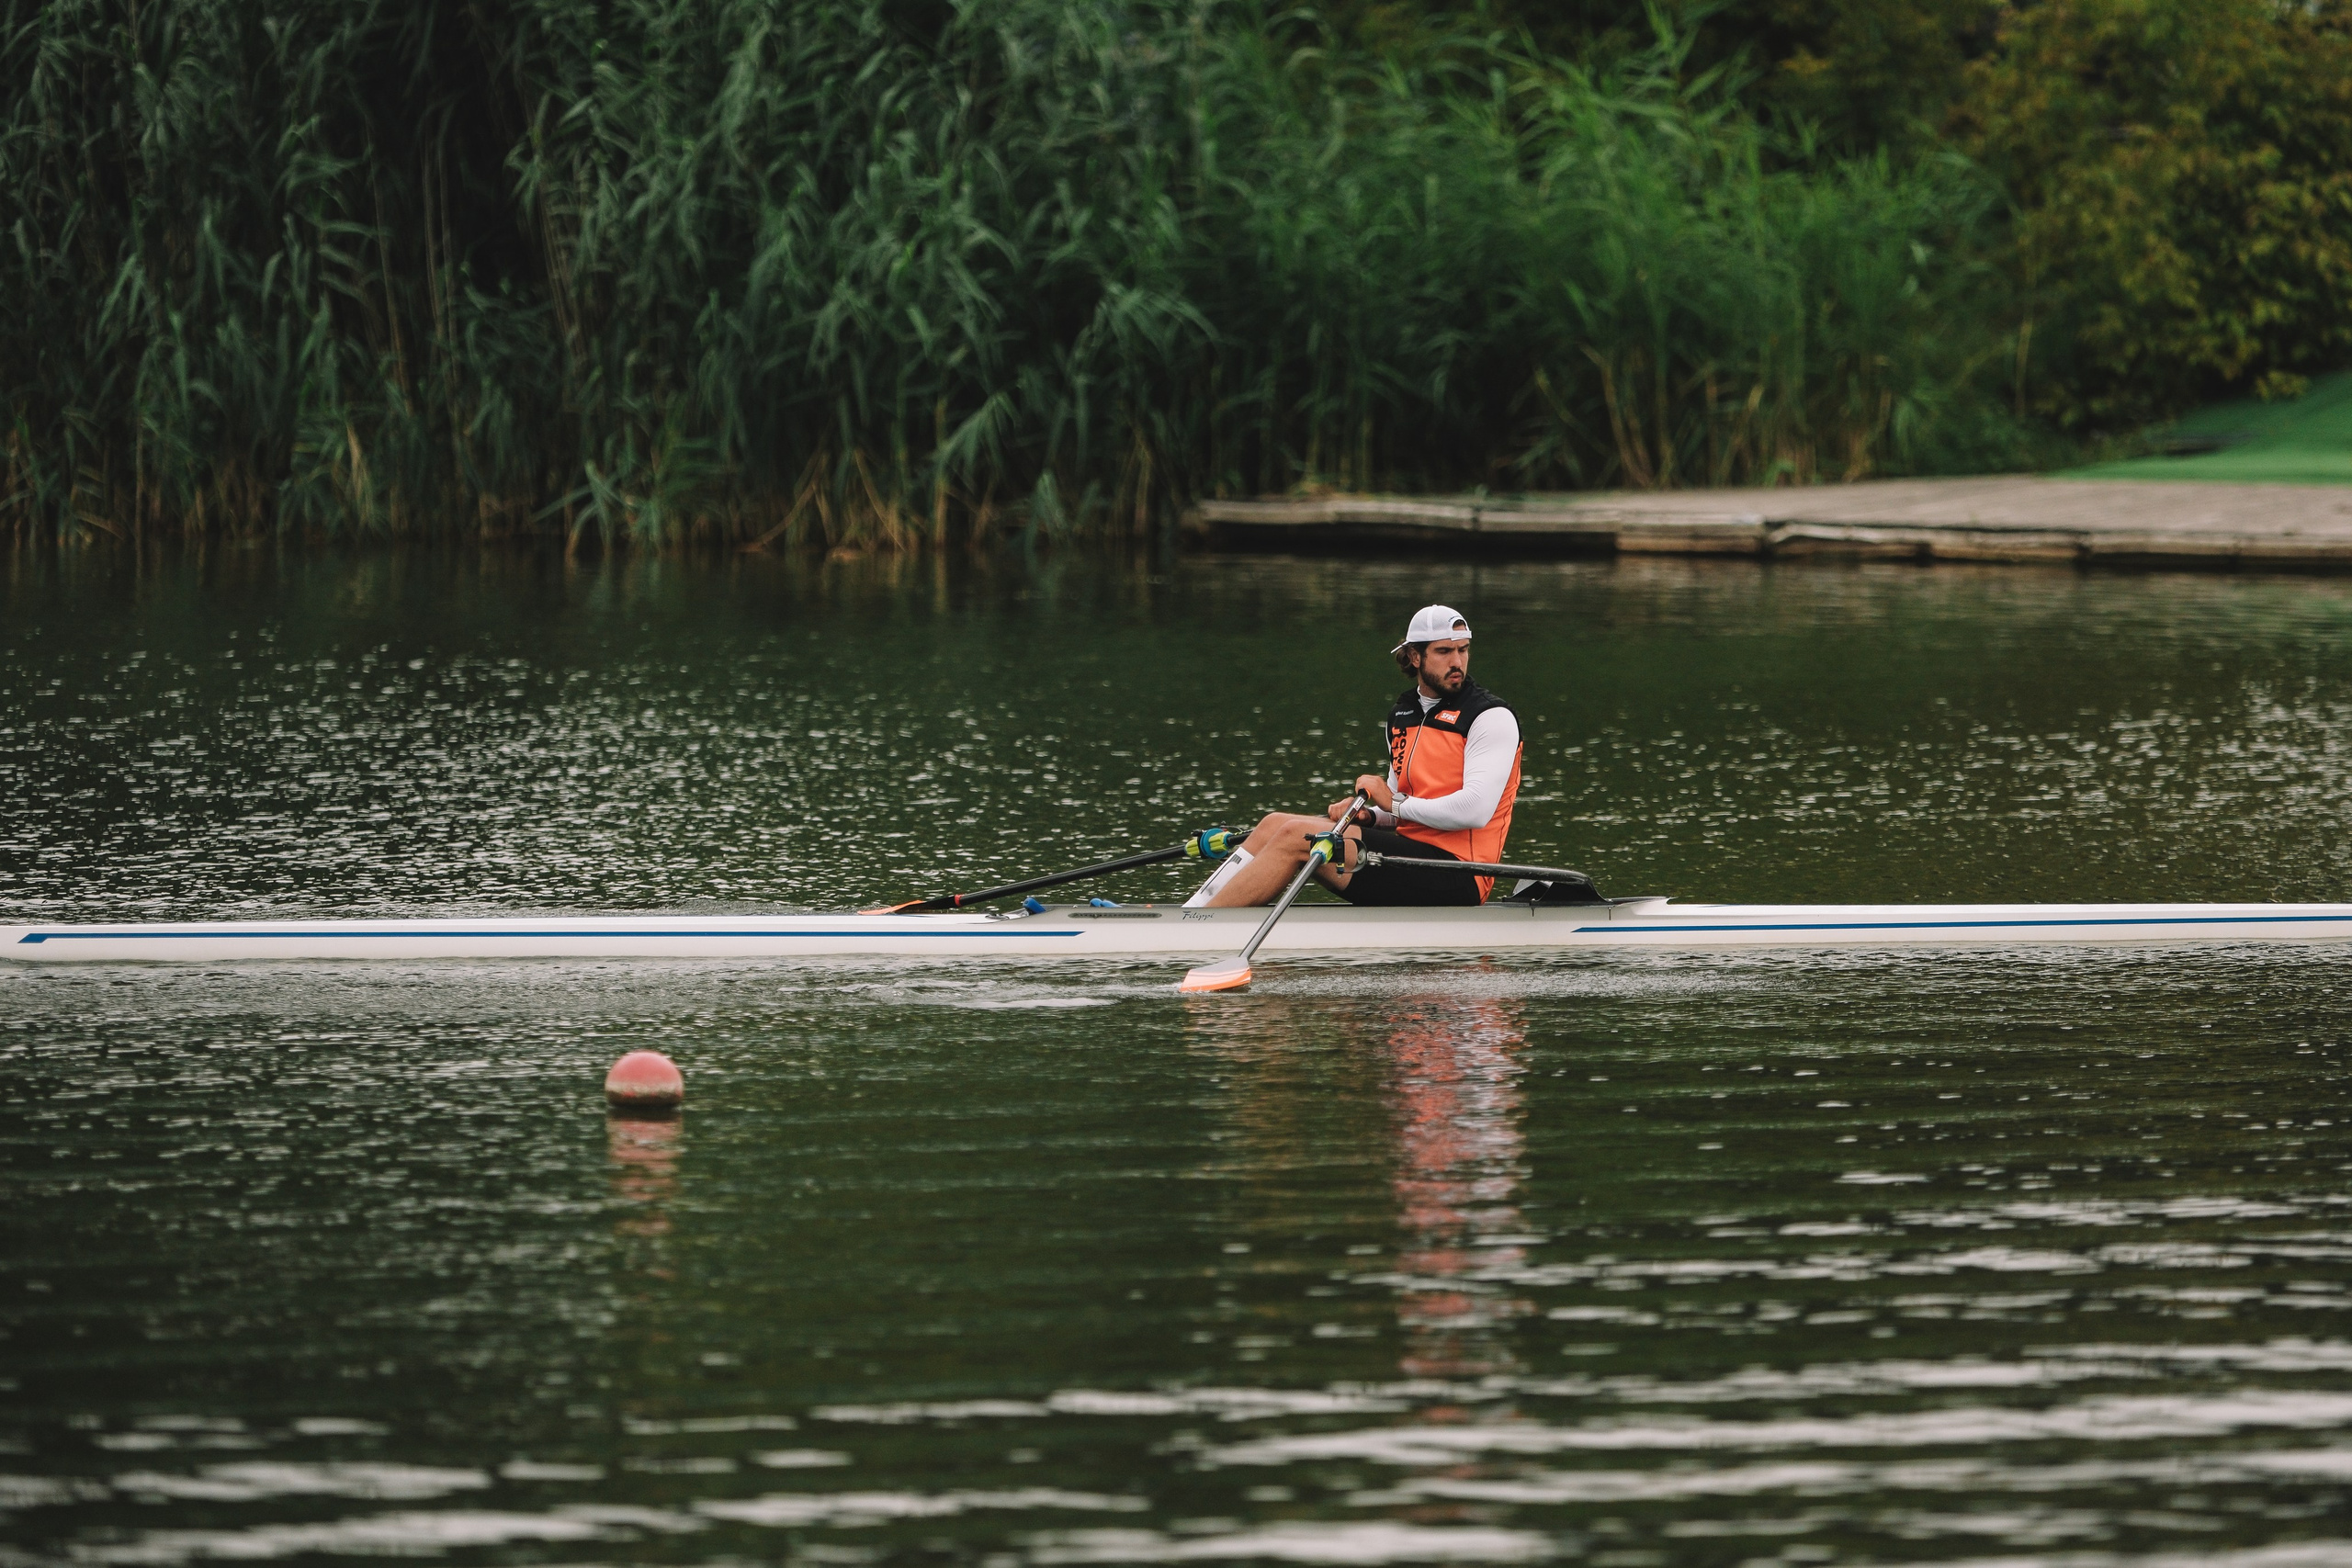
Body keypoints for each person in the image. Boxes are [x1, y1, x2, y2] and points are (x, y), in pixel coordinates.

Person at [1187, 605, 1522, 908]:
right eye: (1444, 651)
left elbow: (1475, 812)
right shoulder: (1403, 715)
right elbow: (1401, 804)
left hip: (1460, 873)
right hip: (1411, 857)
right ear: (1415, 657)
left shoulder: (1490, 717)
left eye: (1463, 650)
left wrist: (1391, 805)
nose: (1457, 662)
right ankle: (1196, 911)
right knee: (1275, 823)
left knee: (1295, 836)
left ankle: (1202, 931)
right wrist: (1371, 817)